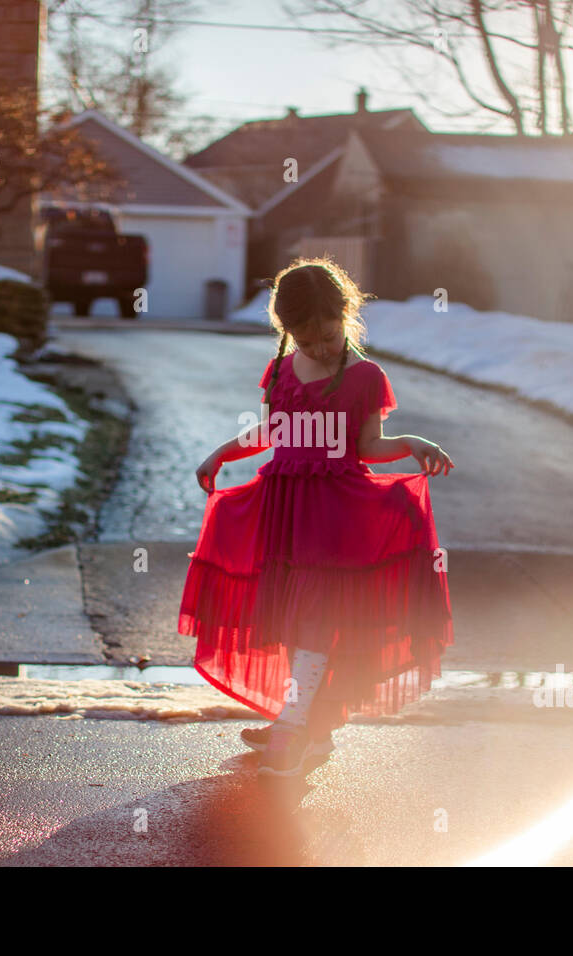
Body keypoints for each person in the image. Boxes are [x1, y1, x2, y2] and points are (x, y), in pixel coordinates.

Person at [177, 257, 455, 778]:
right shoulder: (281, 370)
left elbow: (369, 446)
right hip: (283, 511)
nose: (320, 349)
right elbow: (271, 433)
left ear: (345, 316)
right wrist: (220, 453)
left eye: (328, 336)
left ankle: (291, 727)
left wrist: (413, 443)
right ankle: (309, 725)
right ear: (288, 334)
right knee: (287, 619)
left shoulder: (366, 376)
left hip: (337, 515)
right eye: (307, 341)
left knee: (315, 620)